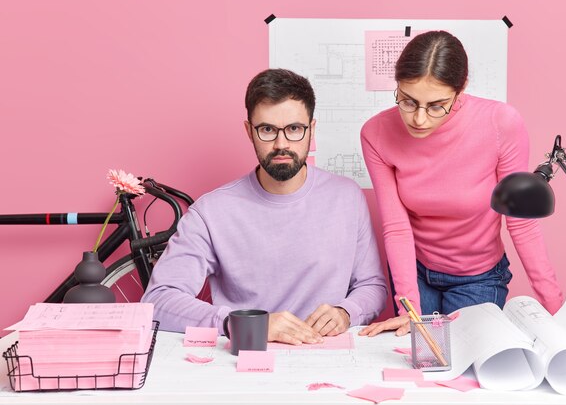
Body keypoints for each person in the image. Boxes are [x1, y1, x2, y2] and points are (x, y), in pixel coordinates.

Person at [142, 68, 387, 345]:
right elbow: (158, 301)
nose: (281, 144)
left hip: (326, 357)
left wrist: (346, 312)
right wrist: (245, 324)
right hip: (247, 358)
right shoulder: (211, 211)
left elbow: (372, 286)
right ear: (249, 131)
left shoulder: (347, 197)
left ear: (312, 129)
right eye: (267, 130)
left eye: (294, 129)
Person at [358, 31, 563, 337]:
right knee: (423, 363)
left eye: (437, 105)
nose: (419, 119)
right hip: (415, 274)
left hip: (478, 277)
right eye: (408, 101)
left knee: (470, 367)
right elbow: (396, 226)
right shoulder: (376, 133)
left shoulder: (500, 124)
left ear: (461, 88)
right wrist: (408, 308)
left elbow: (520, 222)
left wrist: (555, 309)